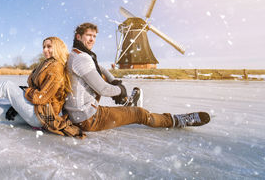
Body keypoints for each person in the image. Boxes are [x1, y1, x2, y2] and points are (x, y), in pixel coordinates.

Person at [64, 22, 210, 132]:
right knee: (139, 114)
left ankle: (128, 106)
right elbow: (102, 89)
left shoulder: (78, 55)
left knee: (103, 78)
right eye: (88, 35)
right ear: (78, 37)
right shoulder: (82, 58)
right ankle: (175, 120)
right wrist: (120, 90)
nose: (92, 39)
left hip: (79, 114)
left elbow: (100, 68)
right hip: (88, 118)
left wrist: (114, 80)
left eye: (94, 36)